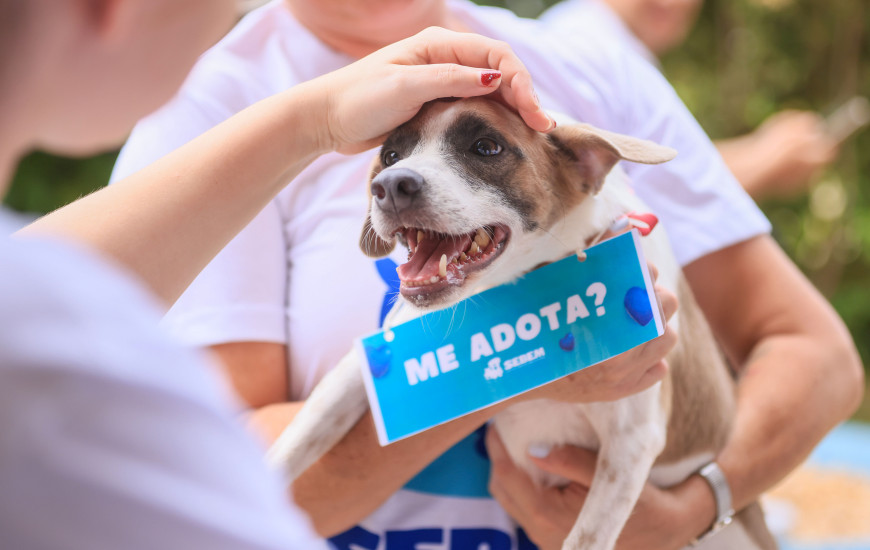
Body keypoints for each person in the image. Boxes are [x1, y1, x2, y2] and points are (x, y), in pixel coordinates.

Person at [109, 1, 863, 548]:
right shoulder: (208, 108)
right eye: (392, 160)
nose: (403, 180)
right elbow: (209, 479)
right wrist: (519, 356)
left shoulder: (595, 75)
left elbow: (817, 359)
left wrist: (699, 506)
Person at [0, 0, 628, 547]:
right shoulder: (44, 340)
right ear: (116, 6)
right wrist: (529, 348)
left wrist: (698, 504)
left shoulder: (589, 61)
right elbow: (227, 476)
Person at [541, 0, 841, 202]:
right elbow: (656, 195)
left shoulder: (609, 44)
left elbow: (657, 165)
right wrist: (768, 156)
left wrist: (771, 151)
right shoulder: (587, 45)